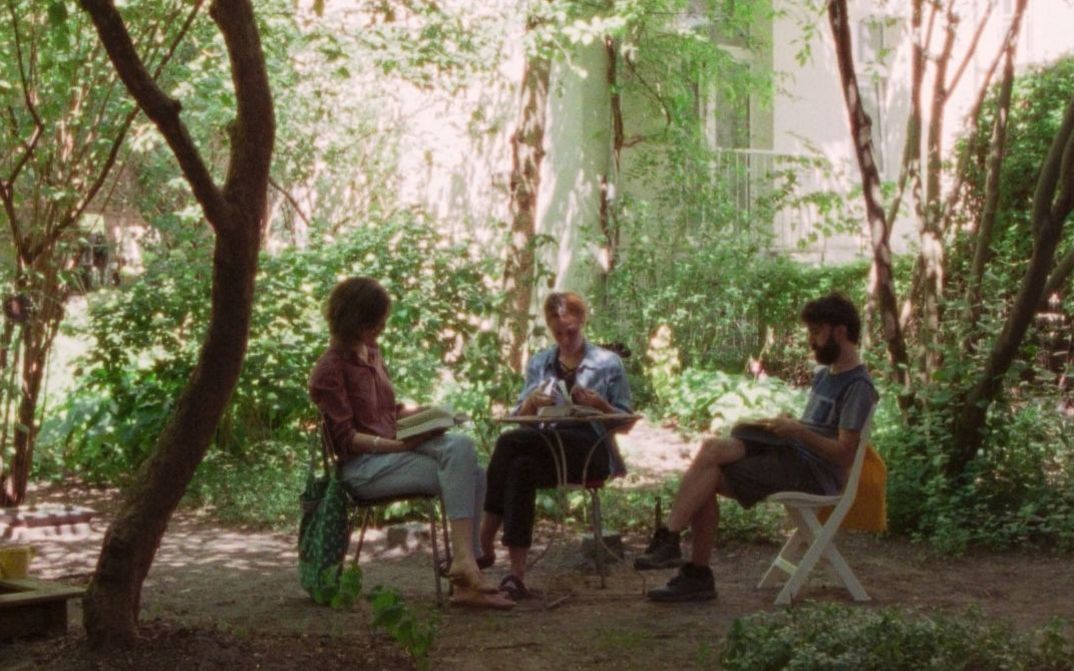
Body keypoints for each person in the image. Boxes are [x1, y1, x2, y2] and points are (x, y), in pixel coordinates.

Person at [635, 292, 878, 602]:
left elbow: (844, 454)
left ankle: (678, 552)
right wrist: (790, 426)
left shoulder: (858, 387)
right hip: (793, 458)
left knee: (708, 470)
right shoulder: (826, 376)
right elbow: (816, 430)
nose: (812, 341)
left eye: (816, 332)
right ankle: (692, 570)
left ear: (840, 332)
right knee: (711, 453)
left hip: (814, 475)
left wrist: (798, 432)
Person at [309, 277, 513, 610]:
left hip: (393, 449)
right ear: (352, 320)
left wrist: (429, 415)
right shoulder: (329, 369)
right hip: (362, 469)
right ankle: (467, 569)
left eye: (382, 320)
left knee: (465, 453)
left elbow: (387, 411)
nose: (381, 327)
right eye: (373, 322)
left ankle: (465, 566)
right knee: (469, 474)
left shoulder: (372, 352)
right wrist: (399, 447)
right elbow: (346, 440)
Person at [479, 291, 634, 600]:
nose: (565, 339)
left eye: (571, 331)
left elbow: (627, 423)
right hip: (545, 449)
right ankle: (516, 575)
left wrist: (601, 405)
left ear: (583, 321)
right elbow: (520, 419)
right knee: (521, 466)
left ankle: (483, 539)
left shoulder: (607, 363)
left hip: (590, 452)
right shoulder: (540, 363)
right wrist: (531, 405)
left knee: (510, 441)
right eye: (558, 333)